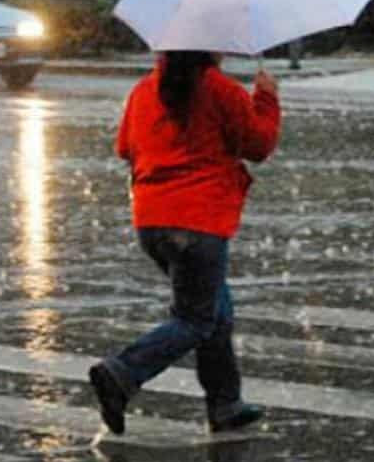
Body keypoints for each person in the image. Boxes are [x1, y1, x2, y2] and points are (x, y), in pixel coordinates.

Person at [89, 50, 281, 435]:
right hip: (199, 220)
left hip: (152, 220)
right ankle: (124, 371)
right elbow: (258, 146)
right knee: (195, 318)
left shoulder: (145, 89)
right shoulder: (220, 89)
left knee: (216, 310)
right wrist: (266, 99)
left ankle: (225, 403)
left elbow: (125, 148)